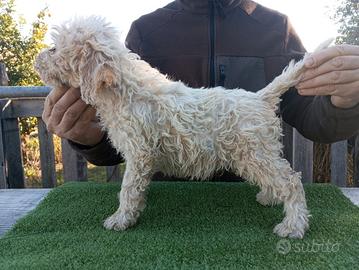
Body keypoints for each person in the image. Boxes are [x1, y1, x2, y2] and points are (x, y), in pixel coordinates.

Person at [42, 0, 359, 181]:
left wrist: (345, 102)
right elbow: (122, 135)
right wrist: (90, 137)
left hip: (250, 199)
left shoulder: (277, 28)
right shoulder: (145, 32)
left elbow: (310, 116)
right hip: (168, 206)